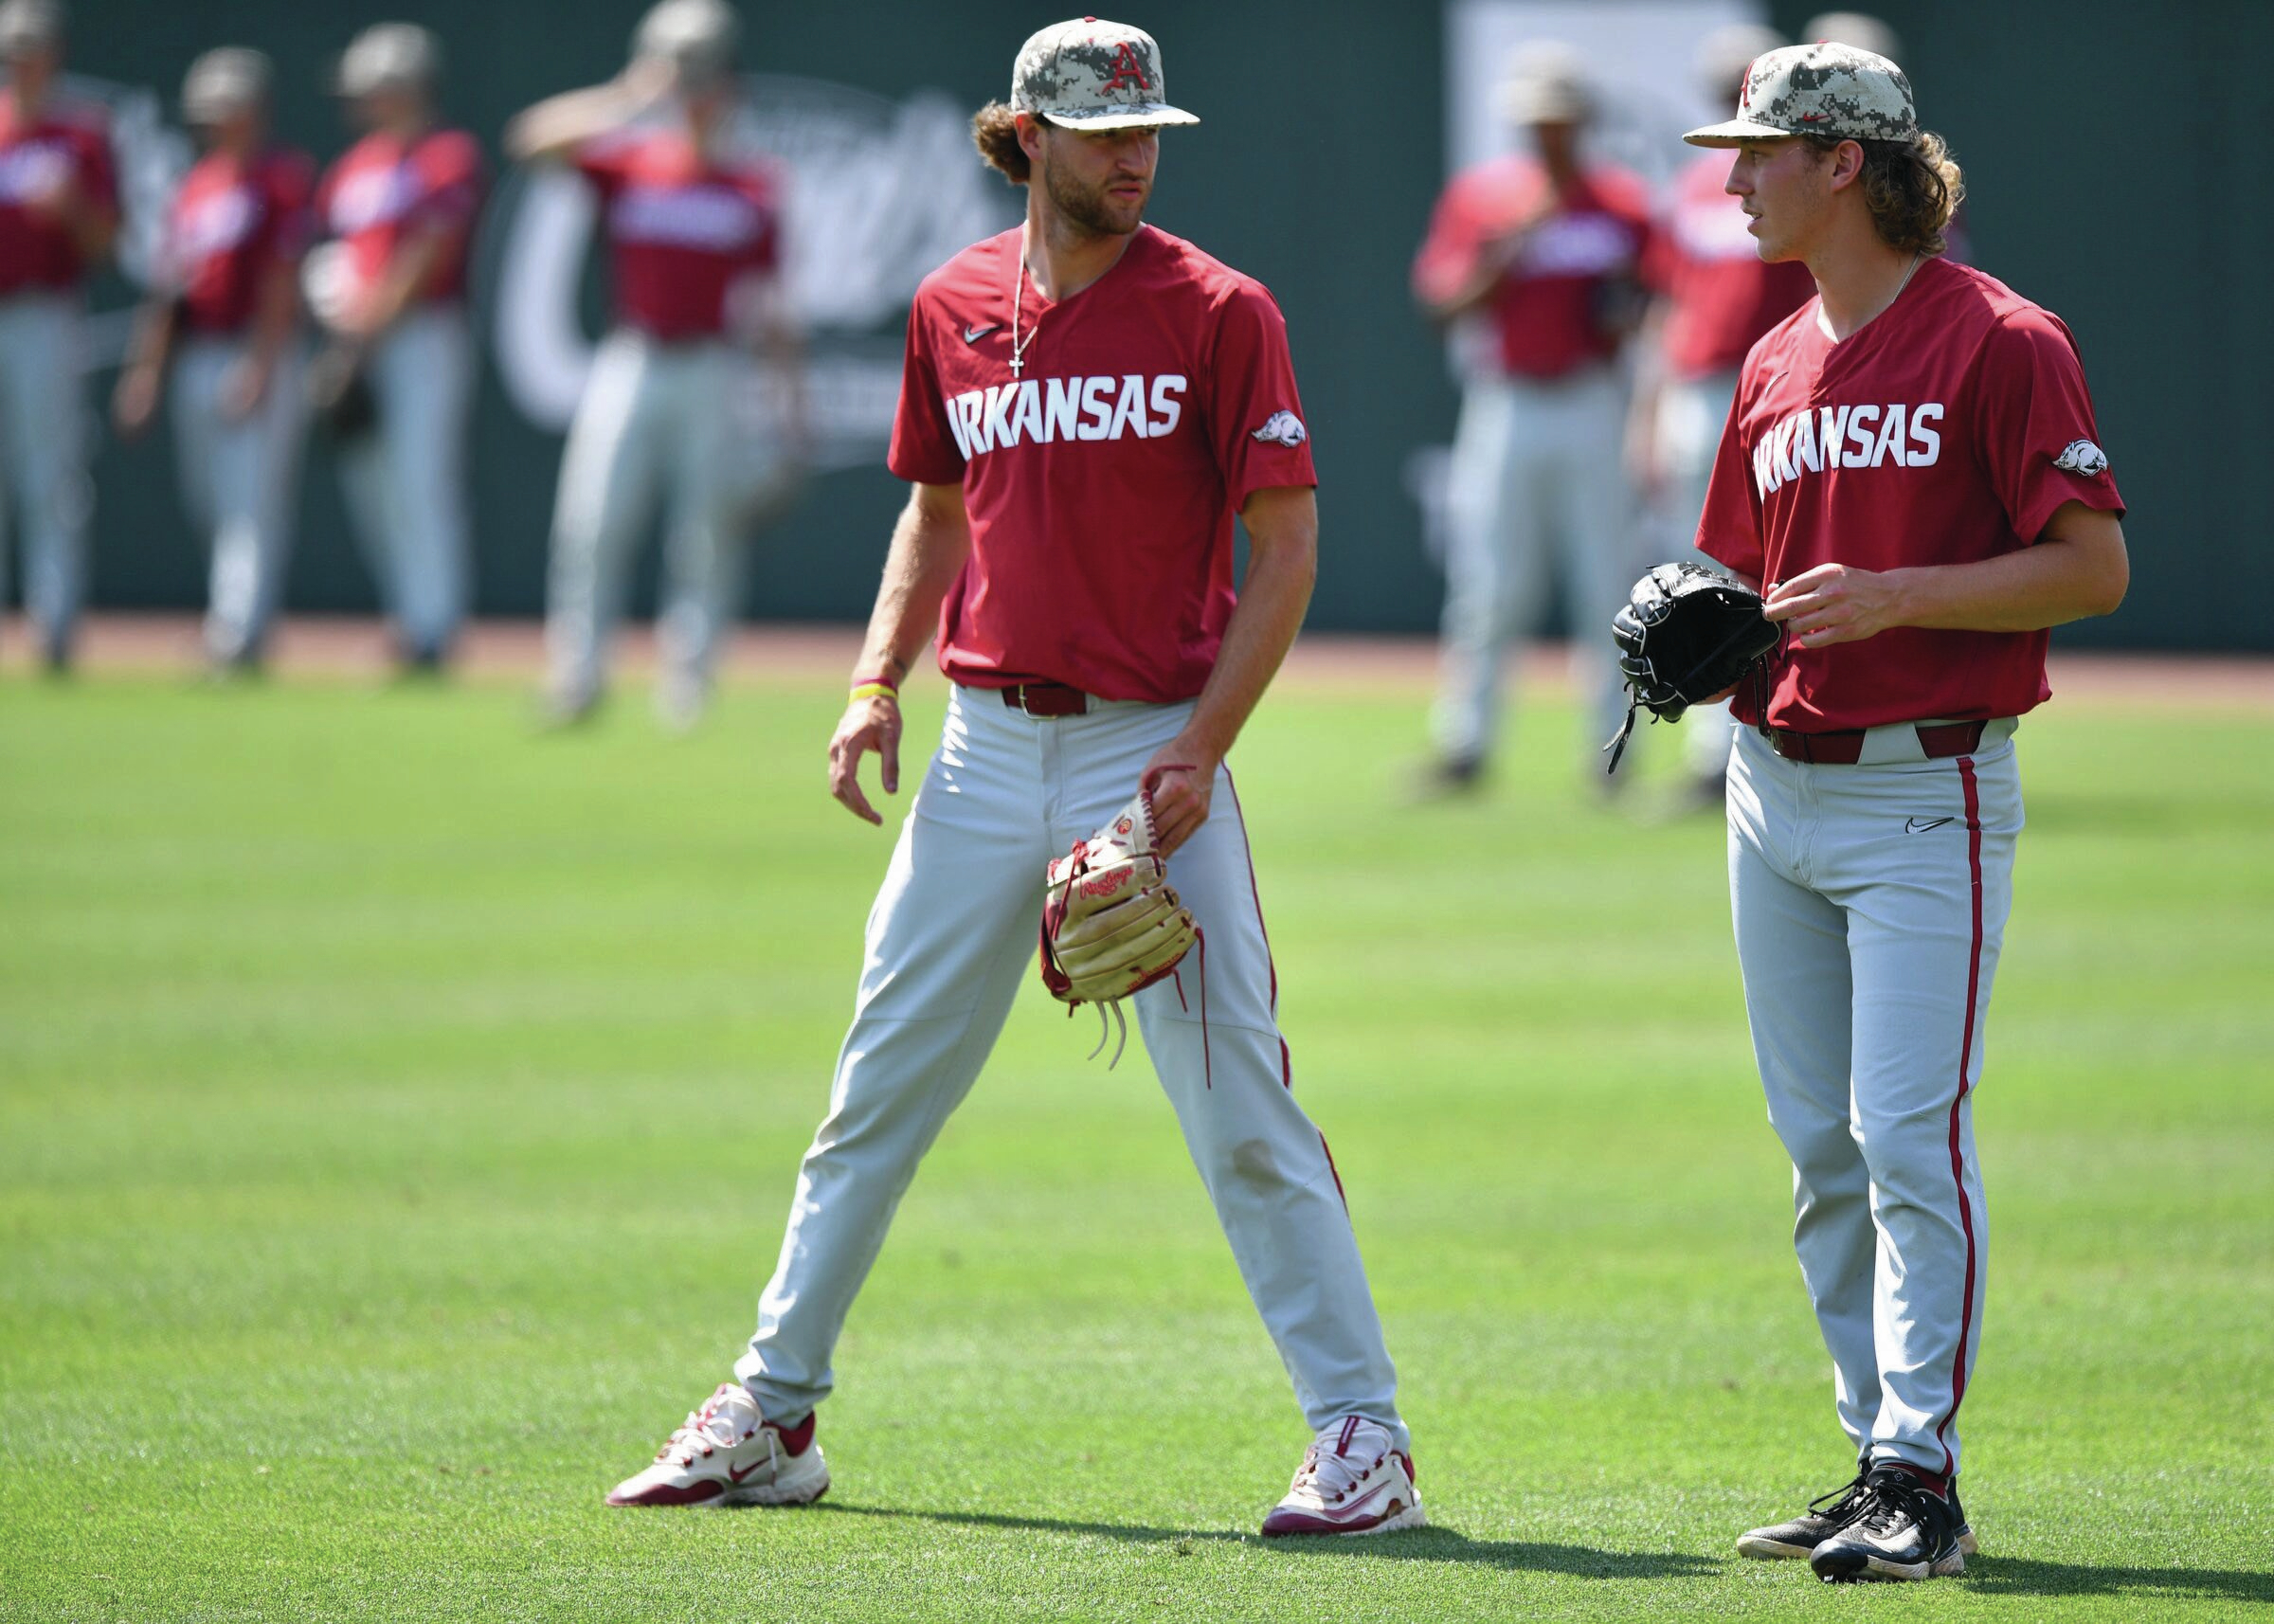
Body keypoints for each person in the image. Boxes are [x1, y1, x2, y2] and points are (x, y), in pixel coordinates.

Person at [603, 17, 1421, 1539]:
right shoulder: (953, 303)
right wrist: (870, 682)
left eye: (1150, 127)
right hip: (981, 751)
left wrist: (1198, 751)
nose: (1137, 152)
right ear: (1028, 134)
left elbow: (1289, 545)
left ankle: (1362, 1432)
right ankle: (774, 1406)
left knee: (1241, 1095)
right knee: (875, 1089)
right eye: (1106, 128)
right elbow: (935, 517)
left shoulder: (1220, 309)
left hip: (1144, 748)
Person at [1684, 44, 2128, 1581]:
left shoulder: (2001, 339)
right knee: (1818, 1142)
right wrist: (1695, 628)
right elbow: (1743, 577)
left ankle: (1920, 1476)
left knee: (1906, 1135)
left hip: (1925, 782)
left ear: (1843, 163)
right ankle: (1871, 1440)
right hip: (1772, 785)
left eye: (1758, 152)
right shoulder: (1774, 359)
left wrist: (1899, 597)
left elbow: (2090, 564)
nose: (1733, 177)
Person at [508, 0, 804, 729]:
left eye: (705, 78)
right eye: (684, 77)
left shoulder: (754, 186)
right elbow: (529, 141)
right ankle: (576, 678)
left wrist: (792, 409)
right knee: (591, 522)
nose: (694, 93)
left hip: (711, 365)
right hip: (632, 358)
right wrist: (629, 94)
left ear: (728, 87)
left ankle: (687, 688)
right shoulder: (632, 160)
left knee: (704, 536)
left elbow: (769, 307)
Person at [1410, 42, 1651, 795]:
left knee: (1606, 586)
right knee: (1489, 585)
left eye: (1558, 119)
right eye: (1534, 120)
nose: (1545, 133)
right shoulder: (1487, 199)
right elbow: (1442, 304)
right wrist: (1507, 252)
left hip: (1591, 397)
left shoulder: (1623, 204)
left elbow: (1650, 300)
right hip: (1508, 398)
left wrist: (1624, 310)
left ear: (1581, 122)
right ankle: (1465, 746)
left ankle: (1612, 755)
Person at [1628, 24, 1814, 806]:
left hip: (1785, 390)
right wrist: (1647, 410)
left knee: (1770, 569)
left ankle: (1749, 738)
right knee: (1704, 573)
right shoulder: (1701, 186)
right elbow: (1666, 308)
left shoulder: (1795, 186)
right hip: (1702, 389)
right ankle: (1714, 755)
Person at [112, 48, 313, 675]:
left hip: (255, 350)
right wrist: (146, 372)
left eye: (228, 106)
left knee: (249, 501)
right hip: (199, 353)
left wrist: (260, 363)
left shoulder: (280, 177)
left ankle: (238, 635)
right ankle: (233, 625)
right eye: (210, 108)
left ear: (255, 109)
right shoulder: (196, 186)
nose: (217, 118)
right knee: (209, 500)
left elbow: (283, 277)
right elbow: (167, 291)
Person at [311, 23, 483, 675]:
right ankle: (408, 620)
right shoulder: (355, 167)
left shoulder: (447, 155)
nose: (362, 101)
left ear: (407, 86)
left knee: (420, 482)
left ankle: (435, 630)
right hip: (359, 339)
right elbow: (331, 254)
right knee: (372, 486)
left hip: (420, 335)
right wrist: (339, 317)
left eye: (373, 88)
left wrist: (367, 321)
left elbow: (429, 251)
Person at [0, 0, 113, 672]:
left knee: (52, 473)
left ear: (55, 53)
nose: (19, 61)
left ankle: (55, 623)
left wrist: (71, 206)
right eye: (11, 49)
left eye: (30, 48)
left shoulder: (81, 135)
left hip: (47, 311)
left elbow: (106, 241)